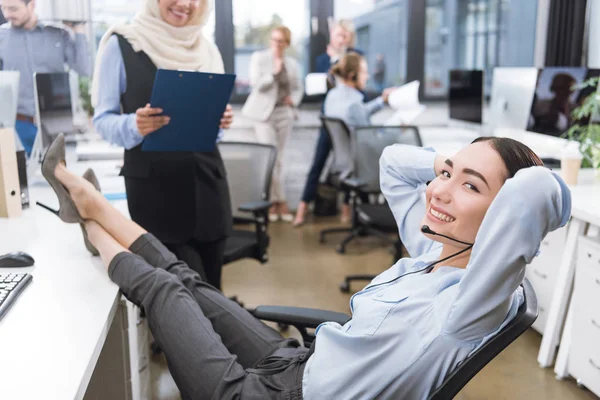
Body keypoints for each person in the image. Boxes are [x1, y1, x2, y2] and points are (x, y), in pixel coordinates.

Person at [39, 128, 571, 398]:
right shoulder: (438, 247)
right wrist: (459, 166)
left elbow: (537, 194)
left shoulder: (468, 308)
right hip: (301, 364)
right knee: (191, 283)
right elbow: (391, 162)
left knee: (164, 293)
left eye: (470, 186)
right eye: (446, 173)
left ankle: (89, 220)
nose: (440, 190)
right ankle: (96, 206)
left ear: (504, 213)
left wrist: (528, 169)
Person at [91, 0, 234, 290]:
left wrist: (219, 122)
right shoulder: (123, 43)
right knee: (183, 301)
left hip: (209, 190)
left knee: (215, 294)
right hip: (156, 198)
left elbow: (209, 131)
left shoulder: (206, 49)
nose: (186, 4)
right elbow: (102, 119)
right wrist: (135, 125)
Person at [294, 52, 395, 226]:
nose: (368, 75)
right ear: (352, 75)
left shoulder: (333, 96)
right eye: (364, 71)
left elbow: (357, 113)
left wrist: (381, 101)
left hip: (342, 165)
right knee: (397, 161)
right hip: (359, 166)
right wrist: (396, 130)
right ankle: (389, 222)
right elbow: (370, 139)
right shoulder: (355, 103)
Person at [294, 19, 362, 227]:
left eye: (345, 36)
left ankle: (346, 209)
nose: (341, 39)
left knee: (350, 167)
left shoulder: (357, 58)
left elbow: (360, 87)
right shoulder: (324, 59)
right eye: (338, 35)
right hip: (330, 120)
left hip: (349, 121)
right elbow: (321, 85)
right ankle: (302, 208)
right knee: (318, 163)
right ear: (332, 36)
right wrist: (335, 60)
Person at [0, 0, 91, 155]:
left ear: (32, 5)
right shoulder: (2, 37)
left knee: (58, 176)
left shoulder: (58, 34)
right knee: (18, 177)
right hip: (17, 124)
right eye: (4, 8)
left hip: (55, 122)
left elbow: (84, 69)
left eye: (13, 9)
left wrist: (79, 31)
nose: (8, 14)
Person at [242, 26, 303, 222]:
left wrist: (294, 99)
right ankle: (278, 202)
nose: (277, 44)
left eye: (281, 41)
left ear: (287, 44)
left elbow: (298, 87)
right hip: (263, 115)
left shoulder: (292, 63)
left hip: (284, 113)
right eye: (274, 40)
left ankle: (275, 204)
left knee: (281, 159)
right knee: (271, 157)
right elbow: (256, 85)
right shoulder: (259, 58)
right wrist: (274, 73)